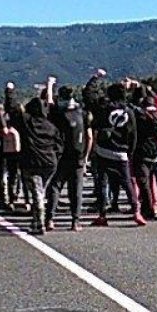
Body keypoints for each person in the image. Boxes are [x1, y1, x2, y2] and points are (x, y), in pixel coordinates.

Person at [84, 69, 143, 227]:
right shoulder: (129, 112)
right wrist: (130, 152)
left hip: (103, 150)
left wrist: (95, 78)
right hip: (122, 152)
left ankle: (102, 214)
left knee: (102, 183)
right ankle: (136, 211)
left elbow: (88, 96)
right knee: (127, 183)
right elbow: (133, 135)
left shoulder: (104, 108)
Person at [8, 78, 62, 234]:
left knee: (37, 192)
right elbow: (59, 145)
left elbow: (12, 109)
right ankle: (36, 220)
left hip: (31, 162)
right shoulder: (51, 126)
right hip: (50, 162)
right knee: (41, 189)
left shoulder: (27, 122)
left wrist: (10, 91)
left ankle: (39, 222)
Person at [47, 83, 92, 231]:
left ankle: (50, 219)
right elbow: (89, 136)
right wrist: (86, 156)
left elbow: (49, 103)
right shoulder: (82, 113)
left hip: (62, 155)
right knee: (76, 189)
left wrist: (50, 85)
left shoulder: (59, 113)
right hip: (78, 156)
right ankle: (75, 221)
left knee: (55, 186)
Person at [131, 86, 157, 219]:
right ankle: (153, 204)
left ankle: (148, 209)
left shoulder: (142, 118)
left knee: (142, 180)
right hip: (154, 151)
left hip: (142, 150)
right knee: (151, 178)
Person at [2, 83, 23, 207]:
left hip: (6, 145)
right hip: (18, 145)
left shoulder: (3, 114)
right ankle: (16, 194)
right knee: (17, 173)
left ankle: (8, 196)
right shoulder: (20, 112)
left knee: (8, 172)